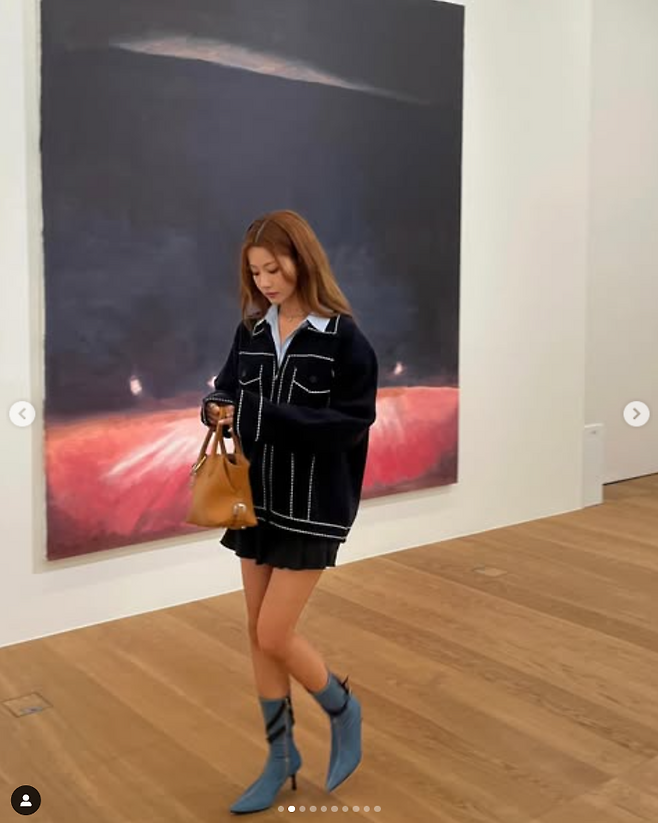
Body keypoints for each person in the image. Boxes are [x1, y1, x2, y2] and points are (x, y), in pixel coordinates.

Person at [200, 210, 378, 814]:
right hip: (255, 503)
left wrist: (258, 415)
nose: (266, 282)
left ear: (303, 260)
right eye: (256, 272)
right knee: (258, 634)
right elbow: (227, 388)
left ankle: (342, 707)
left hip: (313, 508)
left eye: (274, 269)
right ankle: (280, 756)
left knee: (275, 632)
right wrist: (215, 406)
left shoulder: (344, 340)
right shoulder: (251, 332)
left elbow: (350, 426)